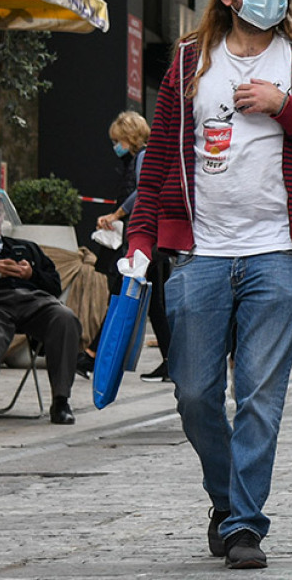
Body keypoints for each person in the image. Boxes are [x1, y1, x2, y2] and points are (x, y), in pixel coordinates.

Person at [126, 0, 292, 569]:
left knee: (260, 394)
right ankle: (226, 500)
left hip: (278, 252)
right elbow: (157, 169)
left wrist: (286, 109)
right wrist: (140, 240)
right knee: (195, 392)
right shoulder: (187, 61)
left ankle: (244, 525)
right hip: (199, 252)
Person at [87, 111, 175, 383]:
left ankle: (92, 354)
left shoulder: (143, 158)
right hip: (151, 241)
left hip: (146, 242)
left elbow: (143, 191)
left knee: (129, 295)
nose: (116, 146)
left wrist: (116, 215)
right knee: (155, 303)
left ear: (130, 137)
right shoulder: (140, 159)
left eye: (118, 139)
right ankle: (172, 362)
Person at [0, 207, 83, 425]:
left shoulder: (26, 247)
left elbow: (54, 285)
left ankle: (61, 400)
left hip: (32, 301)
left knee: (64, 317)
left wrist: (31, 274)